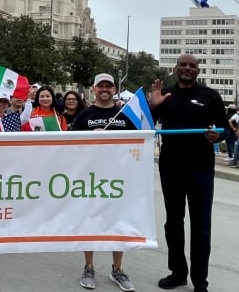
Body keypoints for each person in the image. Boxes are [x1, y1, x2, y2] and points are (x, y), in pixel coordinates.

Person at [150, 54, 228, 292]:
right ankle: (178, 272)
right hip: (171, 167)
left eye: (192, 66)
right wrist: (154, 106)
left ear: (198, 70)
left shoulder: (210, 96)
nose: (187, 68)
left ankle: (200, 281)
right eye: (183, 65)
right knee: (173, 223)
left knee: (201, 226)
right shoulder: (165, 95)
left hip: (201, 169)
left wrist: (219, 135)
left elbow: (225, 130)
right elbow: (146, 126)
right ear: (176, 69)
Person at [70, 73, 137, 291]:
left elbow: (138, 145)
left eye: (109, 86)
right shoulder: (84, 116)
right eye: (101, 86)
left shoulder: (125, 116)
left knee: (118, 223)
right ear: (94, 89)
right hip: (91, 179)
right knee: (90, 222)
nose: (105, 89)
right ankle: (88, 266)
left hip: (119, 179)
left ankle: (117, 270)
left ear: (114, 89)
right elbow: (73, 148)